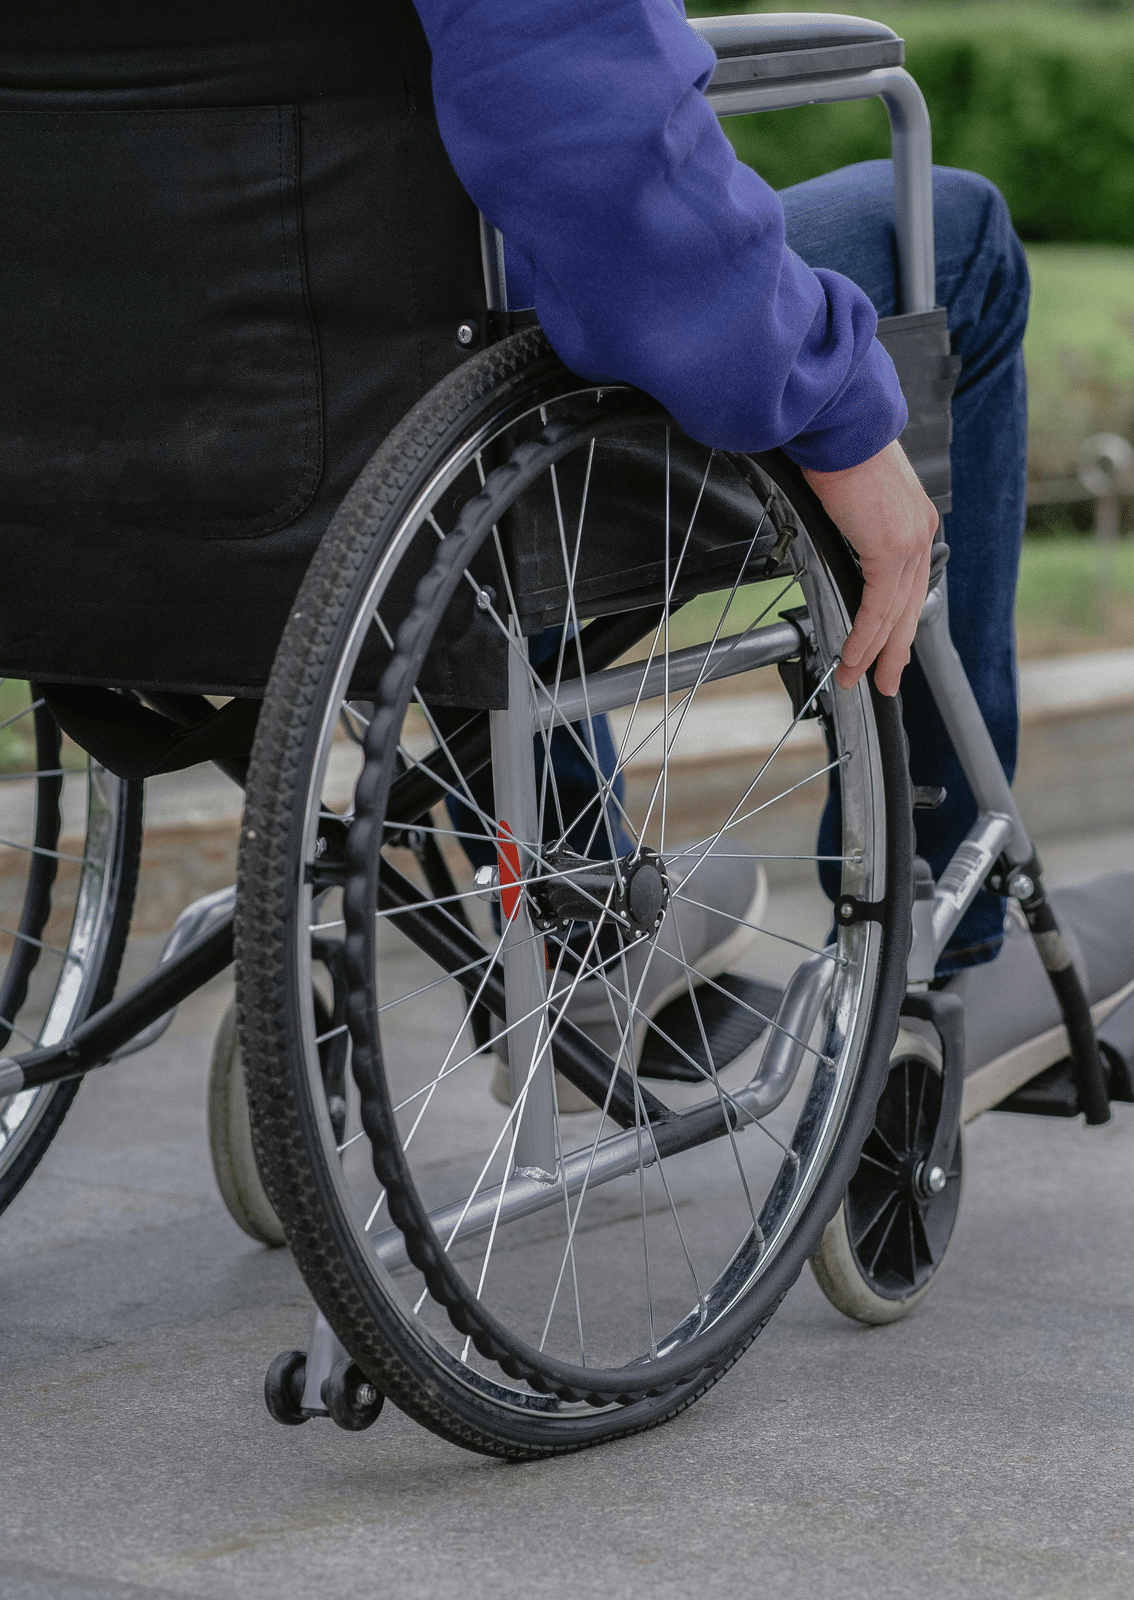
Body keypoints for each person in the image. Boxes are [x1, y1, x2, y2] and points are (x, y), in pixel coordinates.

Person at [414, 0, 1032, 1015]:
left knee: (426, 383)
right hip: (472, 377)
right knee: (961, 237)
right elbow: (588, 129)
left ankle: (582, 922)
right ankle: (944, 937)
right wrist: (832, 401)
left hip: (196, 427)